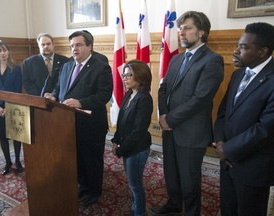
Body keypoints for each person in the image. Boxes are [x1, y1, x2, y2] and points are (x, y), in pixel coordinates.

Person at [150, 11, 224, 216]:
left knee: (190, 179)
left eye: (187, 28)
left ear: (201, 32)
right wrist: (164, 117)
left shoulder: (212, 60)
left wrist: (171, 119)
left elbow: (200, 99)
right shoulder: (175, 59)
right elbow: (163, 89)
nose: (181, 32)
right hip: (169, 129)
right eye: (180, 28)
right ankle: (174, 204)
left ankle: (191, 212)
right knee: (171, 173)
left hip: (191, 132)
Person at [45, 31, 113, 207]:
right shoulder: (67, 66)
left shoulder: (101, 67)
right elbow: (59, 87)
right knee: (77, 159)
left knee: (91, 160)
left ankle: (94, 191)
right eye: (72, 45)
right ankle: (83, 187)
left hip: (90, 125)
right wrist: (53, 96)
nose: (74, 49)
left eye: (79, 45)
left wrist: (80, 102)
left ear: (89, 46)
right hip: (67, 123)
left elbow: (104, 95)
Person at [213, 22, 274, 216]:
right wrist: (221, 142)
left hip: (252, 167)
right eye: (239, 44)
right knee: (228, 209)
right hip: (228, 163)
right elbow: (223, 112)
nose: (236, 50)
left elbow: (265, 129)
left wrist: (228, 149)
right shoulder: (238, 74)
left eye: (244, 47)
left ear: (262, 52)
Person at [111, 60, 153, 216]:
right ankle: (136, 207)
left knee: (136, 185)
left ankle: (139, 212)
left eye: (129, 75)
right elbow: (121, 121)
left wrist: (121, 149)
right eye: (124, 74)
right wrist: (115, 140)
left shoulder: (144, 98)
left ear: (140, 77)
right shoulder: (129, 93)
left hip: (137, 148)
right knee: (132, 182)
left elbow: (138, 131)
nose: (125, 78)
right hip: (127, 146)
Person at [0, 40, 23, 175]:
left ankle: (18, 161)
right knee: (3, 137)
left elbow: (18, 90)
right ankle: (8, 162)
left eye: (4, 50)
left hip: (12, 107)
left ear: (8, 51)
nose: (2, 53)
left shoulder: (16, 68)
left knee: (16, 136)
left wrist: (10, 107)